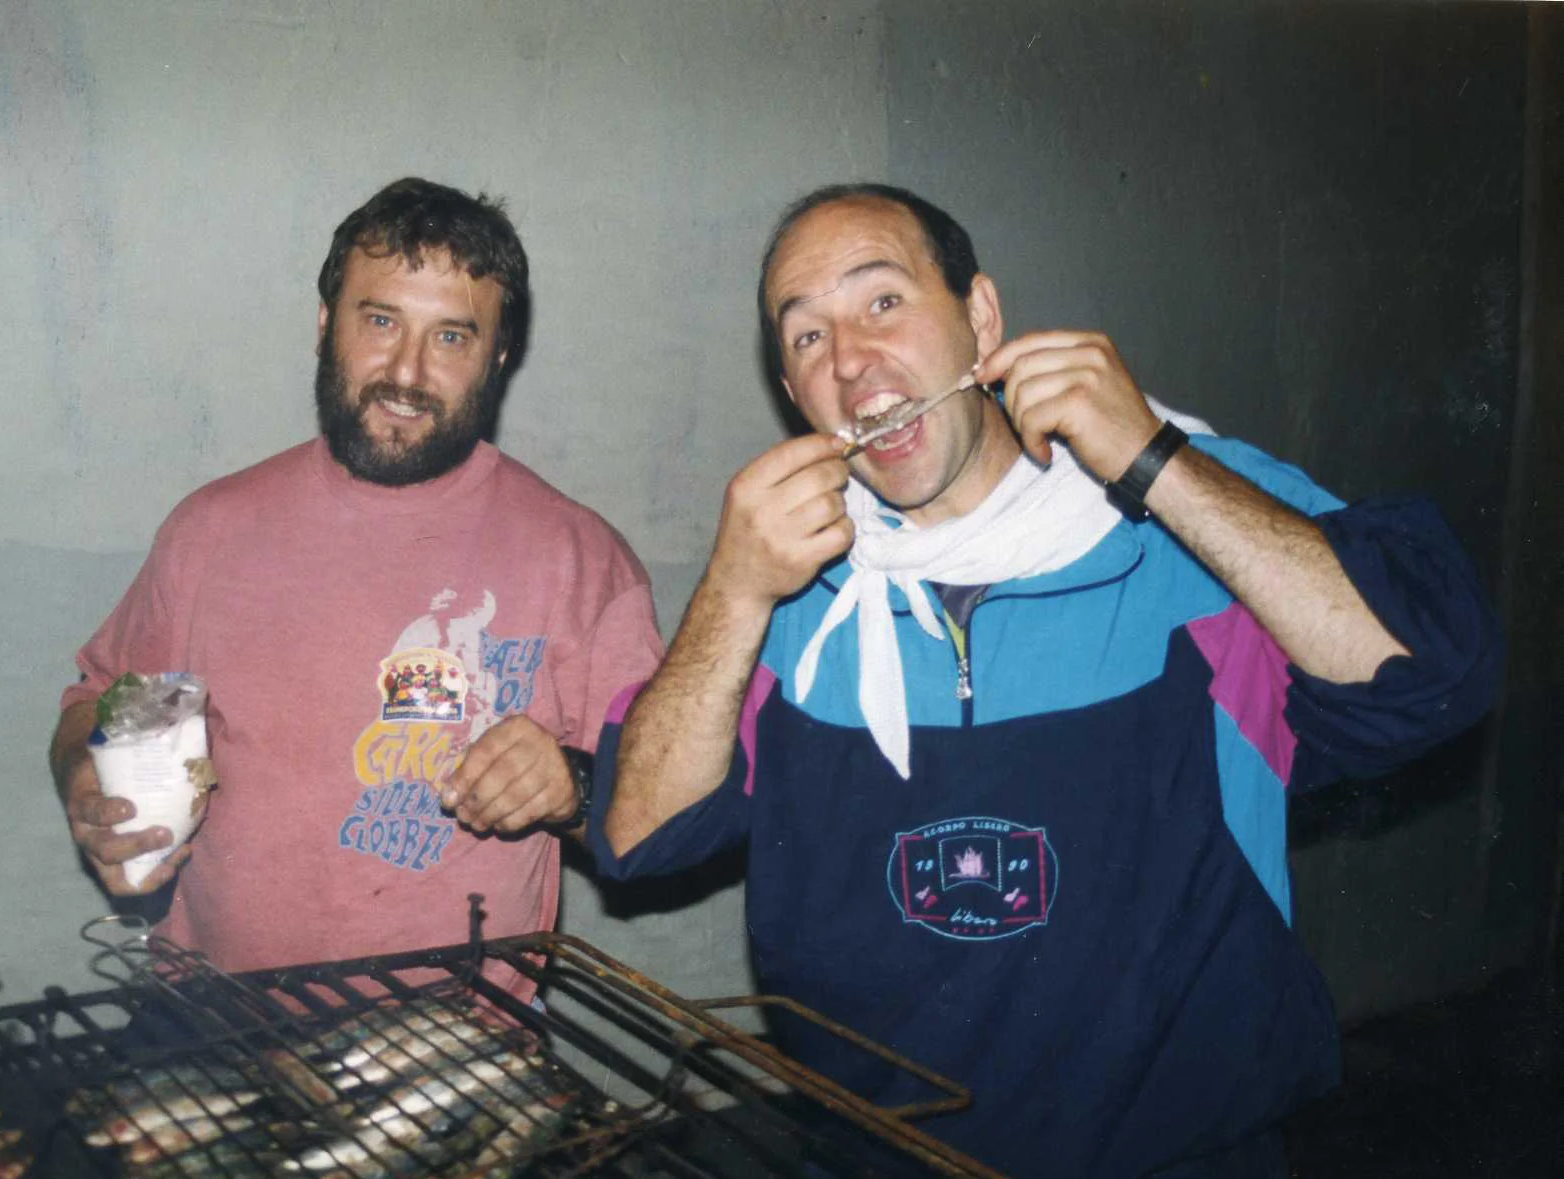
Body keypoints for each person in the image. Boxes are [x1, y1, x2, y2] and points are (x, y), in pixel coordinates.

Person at [589, 183, 1499, 1178]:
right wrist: (731, 591)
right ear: (790, 389)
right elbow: (638, 837)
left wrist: (1154, 461)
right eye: (807, 336)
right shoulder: (785, 584)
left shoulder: (1190, 521)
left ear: (980, 318)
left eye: (882, 300)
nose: (848, 360)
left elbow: (1430, 676)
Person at [50, 178, 663, 1000]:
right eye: (380, 321)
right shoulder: (209, 531)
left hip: (453, 1041)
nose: (407, 372)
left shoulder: (580, 559)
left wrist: (573, 784)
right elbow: (98, 696)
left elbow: (660, 813)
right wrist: (85, 777)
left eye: (451, 336)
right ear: (323, 325)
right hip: (208, 1017)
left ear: (499, 357)